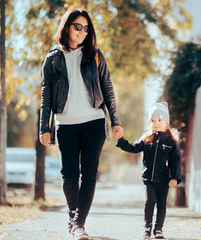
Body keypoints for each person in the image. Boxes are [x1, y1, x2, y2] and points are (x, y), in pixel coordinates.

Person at [39, 8, 123, 240]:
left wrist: (115, 121)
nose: (82, 32)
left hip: (94, 121)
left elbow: (107, 88)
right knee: (68, 175)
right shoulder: (53, 57)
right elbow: (46, 94)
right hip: (65, 122)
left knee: (89, 174)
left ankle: (78, 224)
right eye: (78, 26)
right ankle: (73, 218)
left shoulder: (95, 55)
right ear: (67, 27)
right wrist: (43, 126)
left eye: (86, 28)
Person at [116, 102, 181, 239]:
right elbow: (133, 148)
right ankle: (147, 229)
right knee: (150, 201)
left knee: (162, 204)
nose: (155, 123)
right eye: (152, 120)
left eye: (159, 120)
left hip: (164, 180)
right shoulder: (146, 139)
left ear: (166, 122)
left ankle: (158, 229)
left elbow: (176, 161)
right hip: (148, 179)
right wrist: (121, 141)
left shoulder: (171, 142)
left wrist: (174, 177)